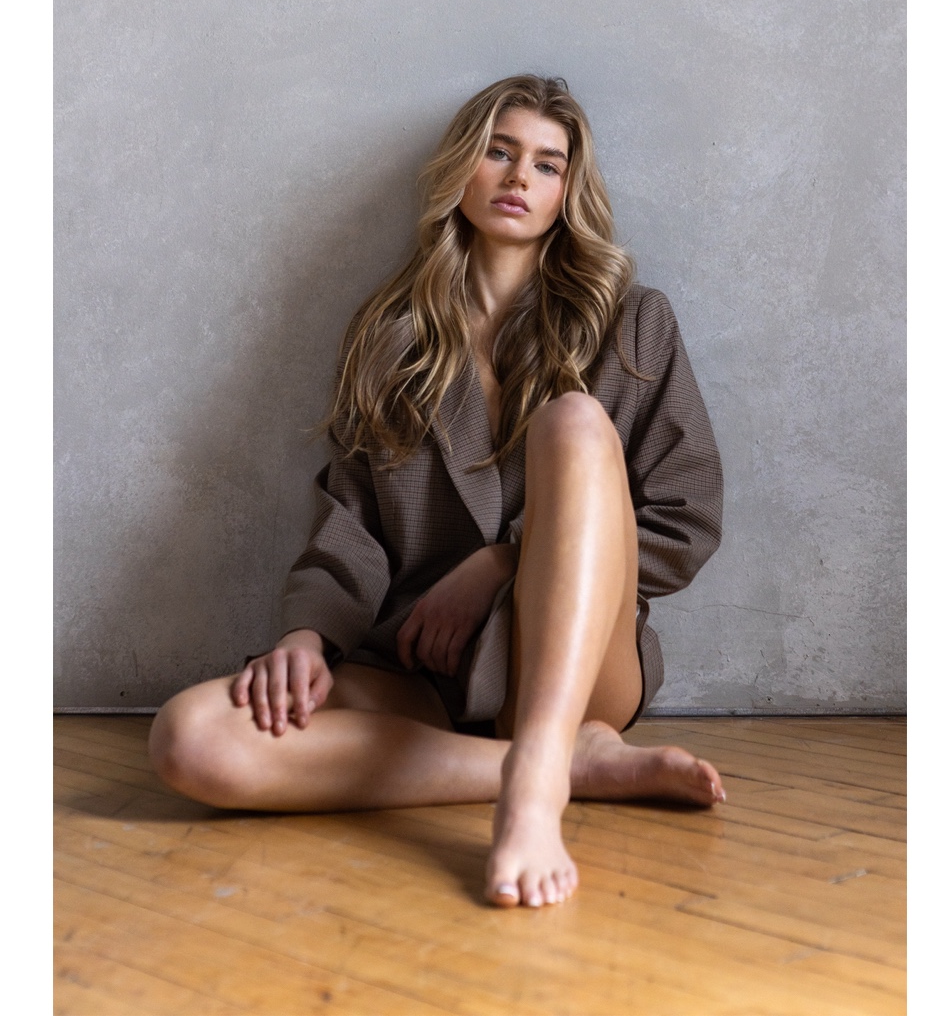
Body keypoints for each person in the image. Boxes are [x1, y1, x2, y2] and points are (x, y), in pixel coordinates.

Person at [149, 74, 725, 910]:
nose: (520, 176)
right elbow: (350, 518)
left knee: (573, 420)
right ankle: (571, 762)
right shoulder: (390, 336)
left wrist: (502, 564)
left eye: (547, 164)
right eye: (500, 151)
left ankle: (537, 778)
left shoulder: (634, 322)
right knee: (191, 737)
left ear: (568, 191)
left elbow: (685, 517)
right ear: (463, 166)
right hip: (424, 666)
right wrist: (308, 635)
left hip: (581, 667)